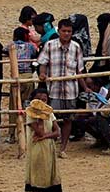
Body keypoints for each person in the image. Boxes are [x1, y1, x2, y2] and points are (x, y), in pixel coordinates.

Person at [36, 18, 86, 157]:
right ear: (58, 31)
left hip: (70, 90)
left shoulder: (76, 47)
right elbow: (43, 62)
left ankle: (63, 148)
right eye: (64, 31)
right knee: (51, 118)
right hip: (53, 89)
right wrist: (42, 73)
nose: (66, 34)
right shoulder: (50, 45)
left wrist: (85, 87)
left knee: (68, 119)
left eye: (69, 31)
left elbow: (79, 70)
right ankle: (49, 144)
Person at [23, 89, 67, 192]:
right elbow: (40, 131)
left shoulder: (50, 113)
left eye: (44, 100)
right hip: (37, 150)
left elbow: (57, 132)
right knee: (36, 179)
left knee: (54, 177)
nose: (42, 102)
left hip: (49, 148)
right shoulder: (31, 114)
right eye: (39, 100)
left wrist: (45, 137)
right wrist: (40, 117)